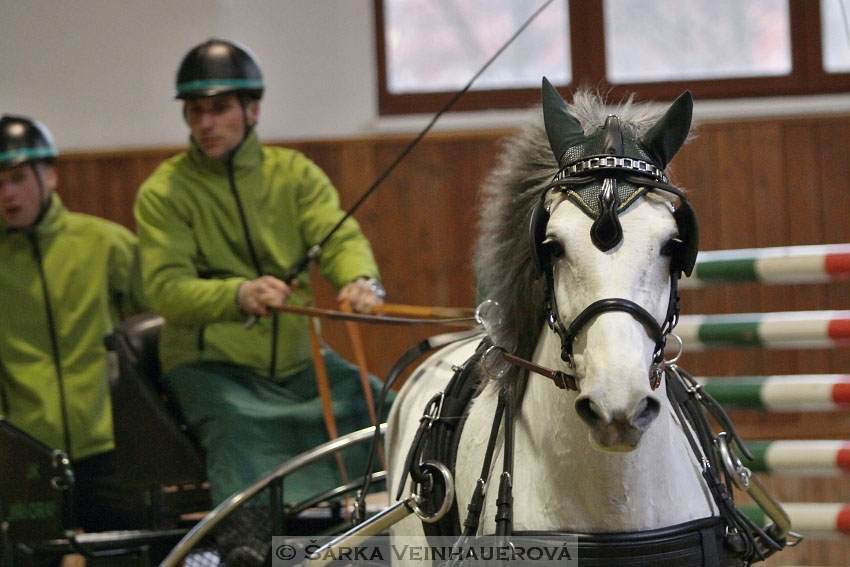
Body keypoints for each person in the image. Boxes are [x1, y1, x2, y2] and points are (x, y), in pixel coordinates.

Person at [133, 38, 389, 511]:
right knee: (237, 432)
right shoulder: (163, 192)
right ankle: (247, 543)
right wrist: (239, 294)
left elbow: (337, 237)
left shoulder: (294, 174)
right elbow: (167, 290)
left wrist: (360, 280)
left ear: (252, 108)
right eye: (194, 111)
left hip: (300, 361)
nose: (205, 123)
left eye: (220, 108)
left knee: (389, 409)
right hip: (211, 369)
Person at [0, 114, 147, 535]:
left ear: (50, 175)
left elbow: (162, 326)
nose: (7, 193)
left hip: (110, 449)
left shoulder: (104, 244)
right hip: (25, 458)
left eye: (18, 177)